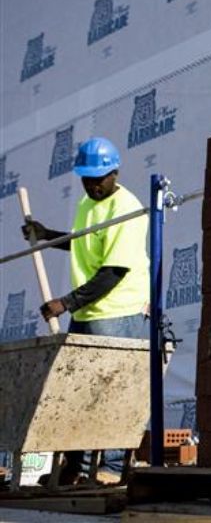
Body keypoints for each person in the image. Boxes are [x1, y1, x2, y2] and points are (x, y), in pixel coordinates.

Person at [22, 136, 149, 484]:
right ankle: (75, 468)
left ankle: (109, 467)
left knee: (111, 390)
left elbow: (113, 272)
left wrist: (65, 302)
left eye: (99, 178)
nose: (92, 185)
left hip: (117, 311)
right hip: (88, 312)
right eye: (86, 178)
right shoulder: (86, 204)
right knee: (75, 390)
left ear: (114, 173)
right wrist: (47, 235)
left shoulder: (126, 207)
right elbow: (83, 243)